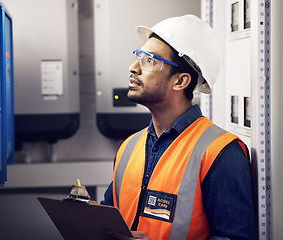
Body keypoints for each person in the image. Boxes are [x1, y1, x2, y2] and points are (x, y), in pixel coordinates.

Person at [100, 15, 255, 240]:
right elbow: (110, 218)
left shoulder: (221, 152)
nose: (133, 68)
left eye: (149, 60)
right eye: (139, 57)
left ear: (180, 81)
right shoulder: (128, 147)